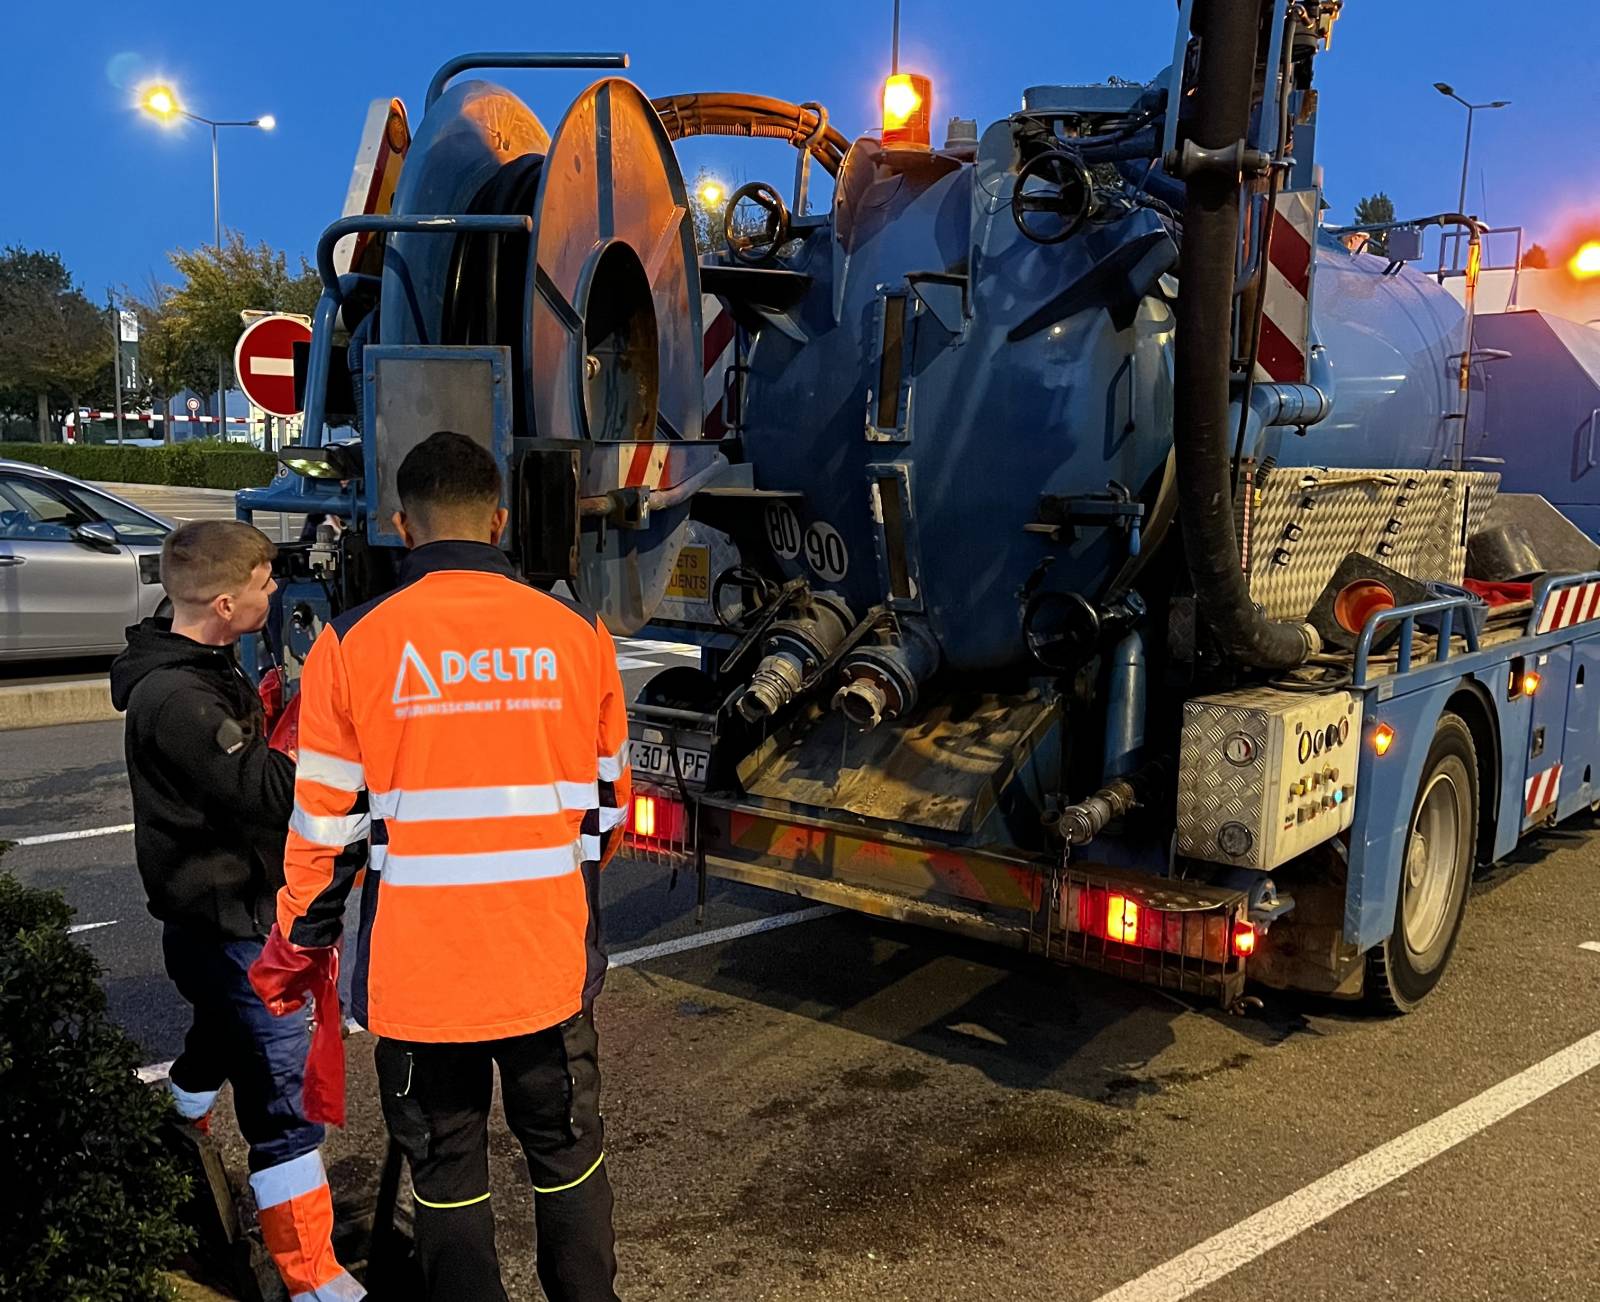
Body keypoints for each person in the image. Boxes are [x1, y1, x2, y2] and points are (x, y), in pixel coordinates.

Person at [257, 430, 631, 1302]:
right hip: (545, 963)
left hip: (423, 981)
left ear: (401, 525)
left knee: (448, 1168)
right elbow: (609, 807)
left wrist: (299, 944)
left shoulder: (352, 643)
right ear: (499, 521)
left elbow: (325, 830)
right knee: (566, 1154)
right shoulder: (577, 633)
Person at [110, 520, 363, 1302]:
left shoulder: (195, 667)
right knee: (284, 1109)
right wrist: (334, 739)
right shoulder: (180, 700)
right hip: (233, 927)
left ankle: (178, 1123)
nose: (275, 591)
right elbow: (270, 793)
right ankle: (311, 1276)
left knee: (221, 1032)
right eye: (263, 582)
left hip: (211, 926)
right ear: (225, 604)